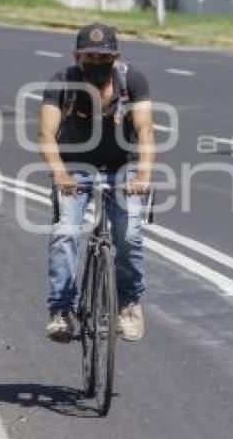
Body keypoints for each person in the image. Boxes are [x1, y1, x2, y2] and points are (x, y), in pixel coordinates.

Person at [38, 23, 154, 343]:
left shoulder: (132, 82)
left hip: (122, 167)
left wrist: (143, 175)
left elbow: (144, 131)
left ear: (115, 57)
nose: (96, 62)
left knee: (128, 233)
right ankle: (61, 311)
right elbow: (46, 134)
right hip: (75, 167)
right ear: (77, 57)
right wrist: (60, 173)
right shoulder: (62, 83)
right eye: (89, 56)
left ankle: (128, 304)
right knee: (65, 232)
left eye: (103, 56)